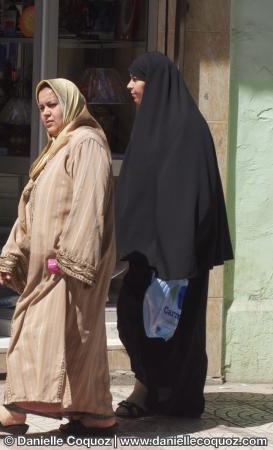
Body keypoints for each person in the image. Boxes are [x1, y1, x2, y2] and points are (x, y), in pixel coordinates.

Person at [0, 78, 117, 435]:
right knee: (78, 340)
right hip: (49, 265)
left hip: (68, 264)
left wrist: (71, 258)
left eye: (53, 105)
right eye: (42, 107)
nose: (47, 113)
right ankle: (95, 415)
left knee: (36, 329)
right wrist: (13, 254)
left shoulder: (87, 143)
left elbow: (90, 204)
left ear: (70, 103)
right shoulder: (58, 147)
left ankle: (15, 410)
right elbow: (32, 207)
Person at [115, 52, 233, 419]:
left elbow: (196, 197)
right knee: (133, 321)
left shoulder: (188, 129)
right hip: (145, 255)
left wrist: (176, 256)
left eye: (137, 78)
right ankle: (147, 387)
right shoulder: (150, 127)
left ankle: (170, 396)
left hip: (179, 259)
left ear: (157, 82)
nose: (130, 85)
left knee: (178, 332)